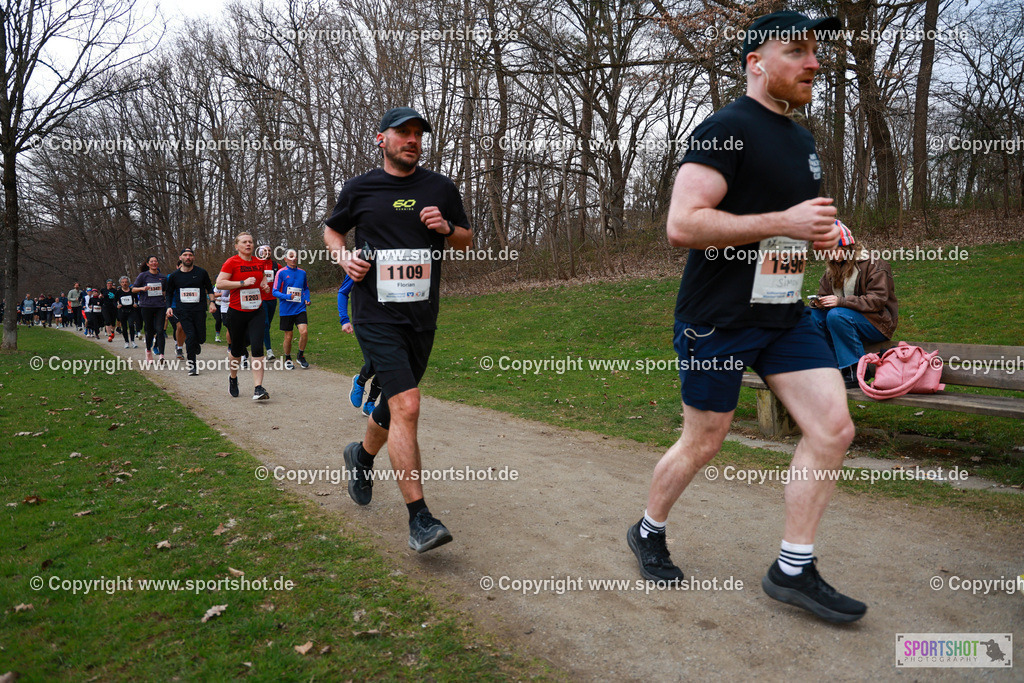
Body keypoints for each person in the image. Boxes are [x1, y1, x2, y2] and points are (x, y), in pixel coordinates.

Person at [626, 11, 867, 624]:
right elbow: (683, 224)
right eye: (797, 51)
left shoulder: (802, 139)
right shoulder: (725, 128)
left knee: (833, 429)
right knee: (704, 440)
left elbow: (788, 221)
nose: (814, 62)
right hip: (720, 319)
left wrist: (821, 231)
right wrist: (784, 222)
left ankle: (793, 568)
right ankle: (648, 529)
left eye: (816, 51)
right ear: (756, 63)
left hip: (784, 313)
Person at [324, 106, 473, 553]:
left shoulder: (440, 187)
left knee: (394, 407)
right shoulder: (360, 188)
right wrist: (343, 258)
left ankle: (361, 455)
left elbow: (466, 239)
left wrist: (447, 227)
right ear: (381, 139)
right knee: (407, 404)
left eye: (417, 134)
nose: (412, 139)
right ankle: (420, 519)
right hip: (375, 313)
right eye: (403, 132)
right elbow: (332, 231)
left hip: (422, 317)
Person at [809, 224, 898, 388]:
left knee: (837, 315)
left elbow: (877, 300)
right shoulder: (832, 268)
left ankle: (855, 370)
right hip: (843, 321)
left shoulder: (874, 264)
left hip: (877, 323)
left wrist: (841, 301)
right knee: (812, 315)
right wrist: (819, 302)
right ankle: (832, 368)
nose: (831, 255)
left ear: (847, 247)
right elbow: (824, 294)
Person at [216, 232, 273, 400]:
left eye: (250, 241)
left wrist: (264, 286)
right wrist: (242, 283)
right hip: (237, 312)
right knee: (237, 350)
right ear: (237, 246)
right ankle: (233, 378)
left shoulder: (259, 262)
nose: (248, 244)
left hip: (256, 311)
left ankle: (258, 388)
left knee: (257, 348)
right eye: (244, 242)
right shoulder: (231, 262)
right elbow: (220, 283)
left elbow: (262, 278)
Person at [166, 248, 216, 376]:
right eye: (185, 255)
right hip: (183, 310)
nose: (188, 257)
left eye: (190, 255)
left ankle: (196, 343)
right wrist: (169, 307)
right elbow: (169, 293)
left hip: (199, 309)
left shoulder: (201, 272)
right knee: (190, 335)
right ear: (180, 258)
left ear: (193, 257)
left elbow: (209, 288)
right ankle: (192, 366)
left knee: (201, 337)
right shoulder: (174, 276)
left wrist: (212, 302)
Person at [339, 275, 381, 416]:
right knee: (375, 362)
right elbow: (343, 292)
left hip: (387, 322)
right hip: (364, 322)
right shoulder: (360, 264)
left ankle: (369, 404)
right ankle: (360, 381)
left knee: (387, 363)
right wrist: (344, 319)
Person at [272, 249, 311, 369]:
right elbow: (274, 291)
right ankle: (288, 358)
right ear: (285, 259)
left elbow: (306, 288)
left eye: (295, 256)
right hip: (286, 309)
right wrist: (287, 296)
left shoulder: (302, 273)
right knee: (288, 336)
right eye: (291, 256)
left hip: (300, 308)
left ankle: (300, 355)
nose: (293, 258)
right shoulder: (281, 273)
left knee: (304, 332)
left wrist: (307, 298)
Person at [131, 257, 168, 362]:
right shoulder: (143, 276)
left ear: (158, 263)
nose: (154, 263)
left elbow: (165, 291)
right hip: (147, 306)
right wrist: (142, 288)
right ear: (148, 264)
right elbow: (133, 289)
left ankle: (161, 355)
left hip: (160, 306)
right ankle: (148, 351)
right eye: (151, 261)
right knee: (149, 330)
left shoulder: (163, 277)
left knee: (160, 330)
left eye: (155, 261)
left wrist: (165, 299)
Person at [257, 246, 279, 361]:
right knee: (265, 323)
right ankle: (269, 351)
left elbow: (282, 278)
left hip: (272, 298)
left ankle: (258, 340)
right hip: (261, 299)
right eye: (265, 250)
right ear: (261, 252)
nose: (267, 252)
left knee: (267, 325)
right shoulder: (257, 264)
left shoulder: (276, 265)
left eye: (269, 250)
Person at [115, 277, 139, 348]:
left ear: (128, 283)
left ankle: (133, 341)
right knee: (124, 327)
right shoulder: (118, 292)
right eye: (123, 282)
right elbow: (114, 301)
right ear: (120, 283)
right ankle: (126, 342)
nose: (124, 283)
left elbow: (136, 299)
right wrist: (117, 305)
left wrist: (136, 304)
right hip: (122, 311)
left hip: (131, 311)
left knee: (131, 325)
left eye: (126, 282)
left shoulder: (132, 291)